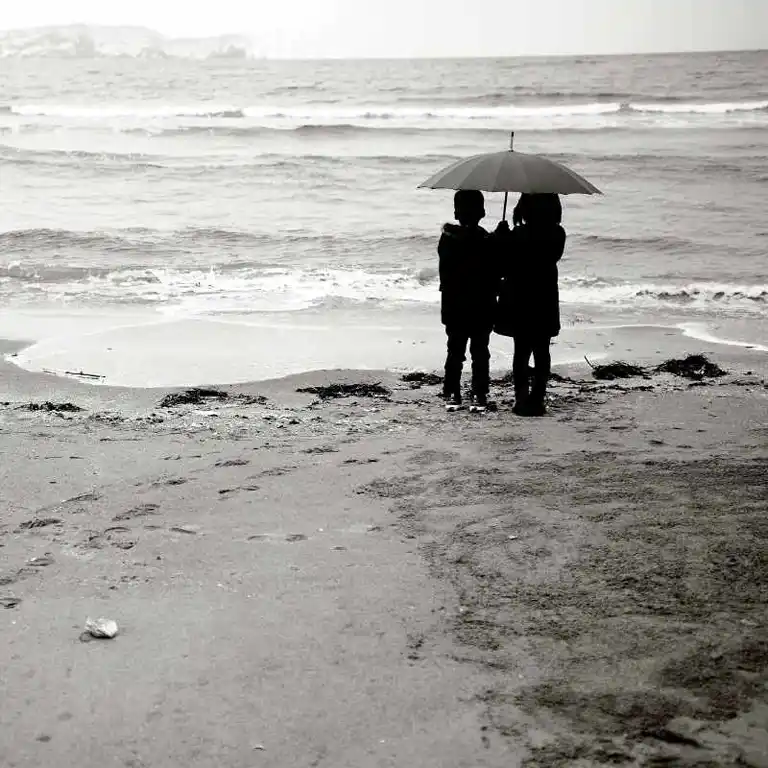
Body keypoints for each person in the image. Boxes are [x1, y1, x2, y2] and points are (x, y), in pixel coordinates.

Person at [494, 193, 565, 416]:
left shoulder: (518, 235)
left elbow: (503, 266)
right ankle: (538, 397)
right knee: (542, 351)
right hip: (544, 298)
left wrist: (501, 238)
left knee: (521, 351)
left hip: (520, 299)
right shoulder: (557, 234)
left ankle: (521, 397)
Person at [437, 190, 499, 413]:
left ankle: (452, 391)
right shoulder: (485, 240)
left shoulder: (447, 239)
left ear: (456, 212)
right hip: (482, 305)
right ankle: (479, 393)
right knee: (480, 351)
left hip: (454, 306)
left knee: (455, 351)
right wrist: (498, 239)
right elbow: (496, 270)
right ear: (482, 212)